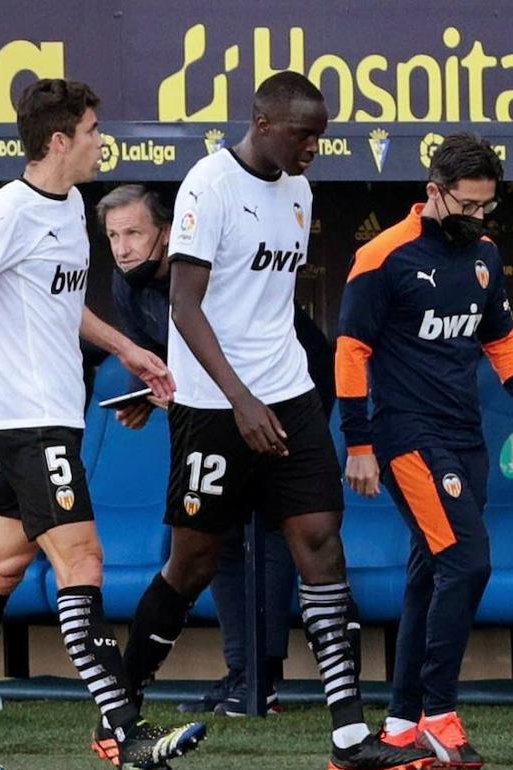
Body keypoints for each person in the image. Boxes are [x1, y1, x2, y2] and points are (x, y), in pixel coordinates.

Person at [0, 78, 206, 770]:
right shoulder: (5, 212)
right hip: (27, 425)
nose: (99, 142)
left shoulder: (73, 205)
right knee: (83, 561)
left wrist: (128, 349)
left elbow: (61, 305)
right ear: (60, 141)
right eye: (91, 131)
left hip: (58, 417)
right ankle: (126, 732)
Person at [108, 71, 435, 770]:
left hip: (286, 393)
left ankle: (349, 734)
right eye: (303, 133)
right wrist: (239, 398)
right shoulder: (209, 185)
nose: (314, 147)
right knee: (191, 561)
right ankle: (121, 709)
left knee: (320, 540)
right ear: (263, 123)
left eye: (321, 135)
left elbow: (269, 305)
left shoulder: (298, 188)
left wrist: (273, 393)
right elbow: (186, 309)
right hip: (213, 407)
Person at [336, 132, 513, 768]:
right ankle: (439, 713)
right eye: (466, 206)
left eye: (485, 207)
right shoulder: (382, 256)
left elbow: (501, 341)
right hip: (405, 436)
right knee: (467, 562)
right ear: (433, 192)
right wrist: (358, 443)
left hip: (464, 437)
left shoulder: (486, 254)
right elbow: (351, 351)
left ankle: (398, 727)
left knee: (431, 572)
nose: (476, 218)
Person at [98, 184, 338, 717]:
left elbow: (239, 350)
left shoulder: (205, 268)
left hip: (287, 388)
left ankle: (262, 680)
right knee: (214, 538)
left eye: (134, 232)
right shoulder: (126, 285)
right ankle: (241, 675)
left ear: (168, 231)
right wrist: (150, 395)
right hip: (212, 405)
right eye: (113, 236)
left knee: (276, 525)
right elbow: (169, 361)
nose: (123, 248)